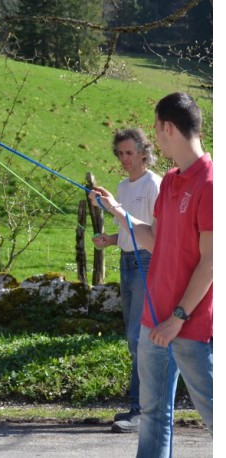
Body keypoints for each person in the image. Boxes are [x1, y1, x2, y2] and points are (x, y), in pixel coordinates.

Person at [89, 92, 212, 457]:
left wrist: (178, 317)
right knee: (154, 416)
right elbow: (154, 239)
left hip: (190, 327)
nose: (155, 138)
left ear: (168, 127)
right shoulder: (172, 180)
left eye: (156, 129)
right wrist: (115, 210)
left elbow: (211, 261)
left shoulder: (210, 183)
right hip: (152, 322)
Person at [92, 128, 161, 434]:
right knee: (135, 339)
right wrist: (111, 238)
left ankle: (140, 410)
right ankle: (140, 405)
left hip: (147, 263)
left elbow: (153, 232)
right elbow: (128, 226)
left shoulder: (154, 183)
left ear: (144, 153)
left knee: (138, 338)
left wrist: (114, 210)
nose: (124, 159)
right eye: (120, 153)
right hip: (126, 262)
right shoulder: (122, 186)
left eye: (129, 153)